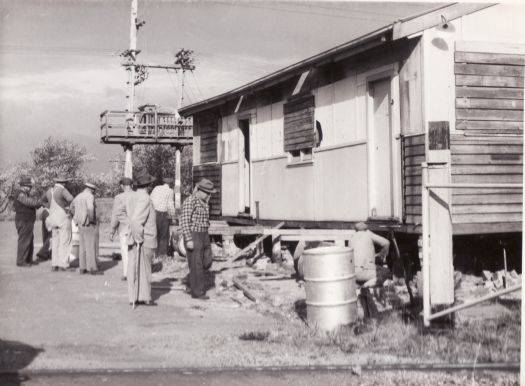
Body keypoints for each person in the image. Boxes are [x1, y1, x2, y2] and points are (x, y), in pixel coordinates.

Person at [125, 172, 157, 308]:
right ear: (148, 186)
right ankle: (142, 297)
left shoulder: (131, 196)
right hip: (144, 238)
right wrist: (139, 238)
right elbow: (136, 221)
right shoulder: (145, 198)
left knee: (134, 268)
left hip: (134, 236)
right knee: (144, 269)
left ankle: (136, 296)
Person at [180, 178, 216, 300]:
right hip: (194, 234)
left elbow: (206, 220)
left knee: (207, 260)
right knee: (196, 264)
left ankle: (193, 283)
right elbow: (184, 221)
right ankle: (197, 292)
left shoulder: (205, 202)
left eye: (210, 193)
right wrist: (189, 239)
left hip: (204, 234)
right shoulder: (190, 201)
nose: (208, 195)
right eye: (207, 192)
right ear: (199, 190)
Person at [44, 175, 74, 272]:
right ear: (63, 183)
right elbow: (71, 199)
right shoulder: (63, 190)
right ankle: (63, 264)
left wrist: (49, 207)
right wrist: (67, 208)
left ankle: (54, 264)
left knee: (55, 241)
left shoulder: (49, 191)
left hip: (52, 218)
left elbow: (42, 200)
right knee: (64, 241)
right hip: (62, 218)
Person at [70, 182, 101, 275]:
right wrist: (92, 220)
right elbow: (90, 209)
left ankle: (82, 268)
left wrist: (76, 217)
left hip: (79, 223)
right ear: (91, 189)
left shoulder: (78, 196)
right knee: (90, 246)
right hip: (88, 223)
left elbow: (71, 207)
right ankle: (92, 268)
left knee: (82, 247)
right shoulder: (89, 196)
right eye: (94, 190)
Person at [13, 176, 42, 267]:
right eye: (29, 186)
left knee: (29, 239)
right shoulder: (20, 194)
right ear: (24, 186)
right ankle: (21, 261)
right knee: (24, 240)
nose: (30, 188)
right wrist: (39, 202)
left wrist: (37, 202)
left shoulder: (23, 194)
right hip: (24, 221)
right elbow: (30, 203)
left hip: (27, 221)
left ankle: (28, 259)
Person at [352, 222, 391, 288]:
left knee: (374, 268)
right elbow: (386, 243)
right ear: (366, 229)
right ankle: (364, 287)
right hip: (364, 271)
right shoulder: (368, 234)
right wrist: (381, 254)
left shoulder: (352, 237)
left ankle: (359, 286)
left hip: (352, 272)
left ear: (355, 230)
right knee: (386, 272)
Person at [109, 177, 133, 280]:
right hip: (137, 226)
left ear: (122, 186)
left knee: (125, 250)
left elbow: (115, 215)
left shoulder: (119, 197)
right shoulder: (137, 195)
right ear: (131, 185)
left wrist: (112, 230)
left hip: (124, 227)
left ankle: (127, 273)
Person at [150, 177, 176, 257]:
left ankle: (154, 253)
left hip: (154, 213)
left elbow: (150, 199)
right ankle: (162, 254)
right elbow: (170, 205)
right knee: (164, 235)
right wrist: (173, 216)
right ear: (170, 184)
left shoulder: (156, 188)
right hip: (163, 215)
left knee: (155, 234)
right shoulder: (170, 191)